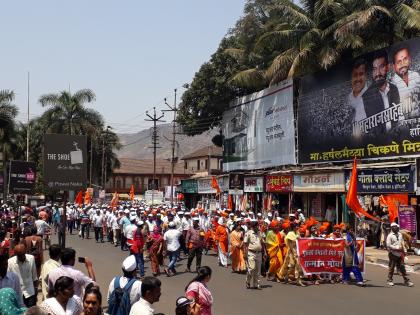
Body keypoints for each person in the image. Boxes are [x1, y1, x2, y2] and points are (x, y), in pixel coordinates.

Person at [362, 50, 400, 134]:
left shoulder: (394, 89)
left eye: (381, 67)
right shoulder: (367, 96)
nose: (377, 73)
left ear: (388, 67)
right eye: (375, 69)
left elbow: (396, 118)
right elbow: (373, 129)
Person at [391, 44, 420, 116]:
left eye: (405, 59)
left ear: (409, 60)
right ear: (394, 66)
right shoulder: (392, 85)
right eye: (399, 62)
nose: (403, 64)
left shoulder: (415, 75)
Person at [386, 222, 414, 287]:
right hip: (393, 253)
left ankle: (406, 281)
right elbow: (388, 245)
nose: (396, 228)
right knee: (392, 267)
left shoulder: (400, 234)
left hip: (400, 253)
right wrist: (396, 248)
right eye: (394, 227)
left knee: (402, 267)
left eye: (396, 227)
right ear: (392, 228)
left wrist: (405, 250)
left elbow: (402, 243)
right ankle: (389, 280)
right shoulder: (389, 236)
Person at [347, 58, 369, 136]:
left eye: (361, 74)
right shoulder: (348, 98)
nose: (358, 79)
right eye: (355, 75)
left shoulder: (371, 94)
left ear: (366, 75)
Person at [244, 220, 265, 289]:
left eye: (258, 226)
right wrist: (245, 253)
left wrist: (264, 252)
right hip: (251, 253)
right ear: (253, 227)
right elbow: (245, 244)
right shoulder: (248, 233)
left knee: (258, 270)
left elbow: (262, 243)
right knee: (251, 269)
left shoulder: (260, 233)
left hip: (259, 253)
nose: (257, 227)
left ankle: (257, 284)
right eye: (256, 226)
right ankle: (248, 281)